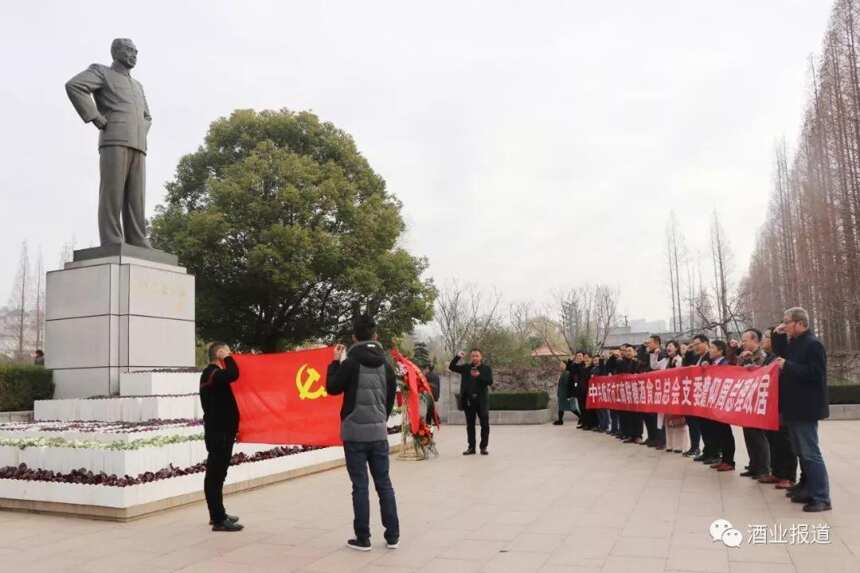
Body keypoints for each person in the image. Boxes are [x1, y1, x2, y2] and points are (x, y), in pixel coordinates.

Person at [326, 315, 400, 550]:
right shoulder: (386, 364)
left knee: (360, 486)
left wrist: (335, 362)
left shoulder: (350, 363)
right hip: (378, 433)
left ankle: (363, 538)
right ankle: (393, 536)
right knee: (384, 484)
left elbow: (332, 388)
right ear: (376, 336)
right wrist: (380, 420)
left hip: (354, 434)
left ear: (354, 337)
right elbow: (389, 400)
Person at [772, 307, 832, 512]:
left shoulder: (813, 344)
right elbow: (781, 355)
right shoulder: (795, 343)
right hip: (794, 407)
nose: (784, 325)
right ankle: (807, 489)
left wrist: (787, 366)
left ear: (800, 323)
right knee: (800, 451)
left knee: (810, 452)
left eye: (787, 322)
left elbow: (816, 373)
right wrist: (778, 335)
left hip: (806, 407)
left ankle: (822, 497)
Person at [199, 342, 243, 532]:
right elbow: (234, 373)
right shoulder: (212, 373)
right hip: (219, 433)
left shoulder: (214, 375)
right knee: (215, 476)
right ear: (219, 354)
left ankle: (218, 513)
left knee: (218, 475)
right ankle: (218, 519)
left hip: (222, 432)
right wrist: (227, 357)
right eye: (227, 352)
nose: (230, 355)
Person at [759, 328, 798, 490]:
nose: (764, 341)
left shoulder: (782, 357)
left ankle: (788, 476)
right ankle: (776, 471)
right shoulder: (768, 358)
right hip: (769, 405)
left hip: (782, 404)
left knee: (785, 441)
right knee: (773, 440)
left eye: (767, 337)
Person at [737, 329, 771, 480]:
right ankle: (754, 465)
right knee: (749, 434)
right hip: (747, 398)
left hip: (759, 398)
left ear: (754, 340)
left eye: (745, 340)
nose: (743, 343)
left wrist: (750, 361)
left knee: (758, 436)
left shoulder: (762, 355)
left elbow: (763, 372)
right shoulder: (745, 355)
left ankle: (763, 468)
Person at [449, 348, 494, 455]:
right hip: (469, 401)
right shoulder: (466, 368)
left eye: (477, 356)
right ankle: (471, 448)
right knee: (470, 426)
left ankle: (483, 447)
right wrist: (458, 357)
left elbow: (490, 381)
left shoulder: (486, 369)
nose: (475, 358)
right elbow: (451, 367)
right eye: (473, 356)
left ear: (481, 357)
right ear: (471, 357)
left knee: (485, 425)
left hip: (482, 401)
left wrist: (479, 376)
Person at [708, 340, 736, 472]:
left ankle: (729, 461)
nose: (710, 350)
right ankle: (723, 459)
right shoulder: (713, 364)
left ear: (720, 351)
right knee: (718, 432)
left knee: (726, 432)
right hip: (714, 402)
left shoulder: (726, 363)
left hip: (723, 403)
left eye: (712, 348)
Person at [661, 341, 687, 453]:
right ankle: (670, 444)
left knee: (679, 421)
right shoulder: (665, 361)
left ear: (677, 348)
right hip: (667, 393)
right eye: (667, 346)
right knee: (668, 420)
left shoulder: (680, 360)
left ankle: (681, 446)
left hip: (677, 393)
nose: (668, 347)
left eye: (671, 346)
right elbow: (654, 366)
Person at [554, 361, 572, 425]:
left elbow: (567, 384)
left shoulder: (566, 373)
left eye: (562, 364)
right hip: (561, 393)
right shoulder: (562, 373)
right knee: (561, 407)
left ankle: (581, 418)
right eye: (560, 364)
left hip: (564, 394)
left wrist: (568, 395)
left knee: (572, 408)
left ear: (565, 365)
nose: (560, 365)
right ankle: (560, 420)